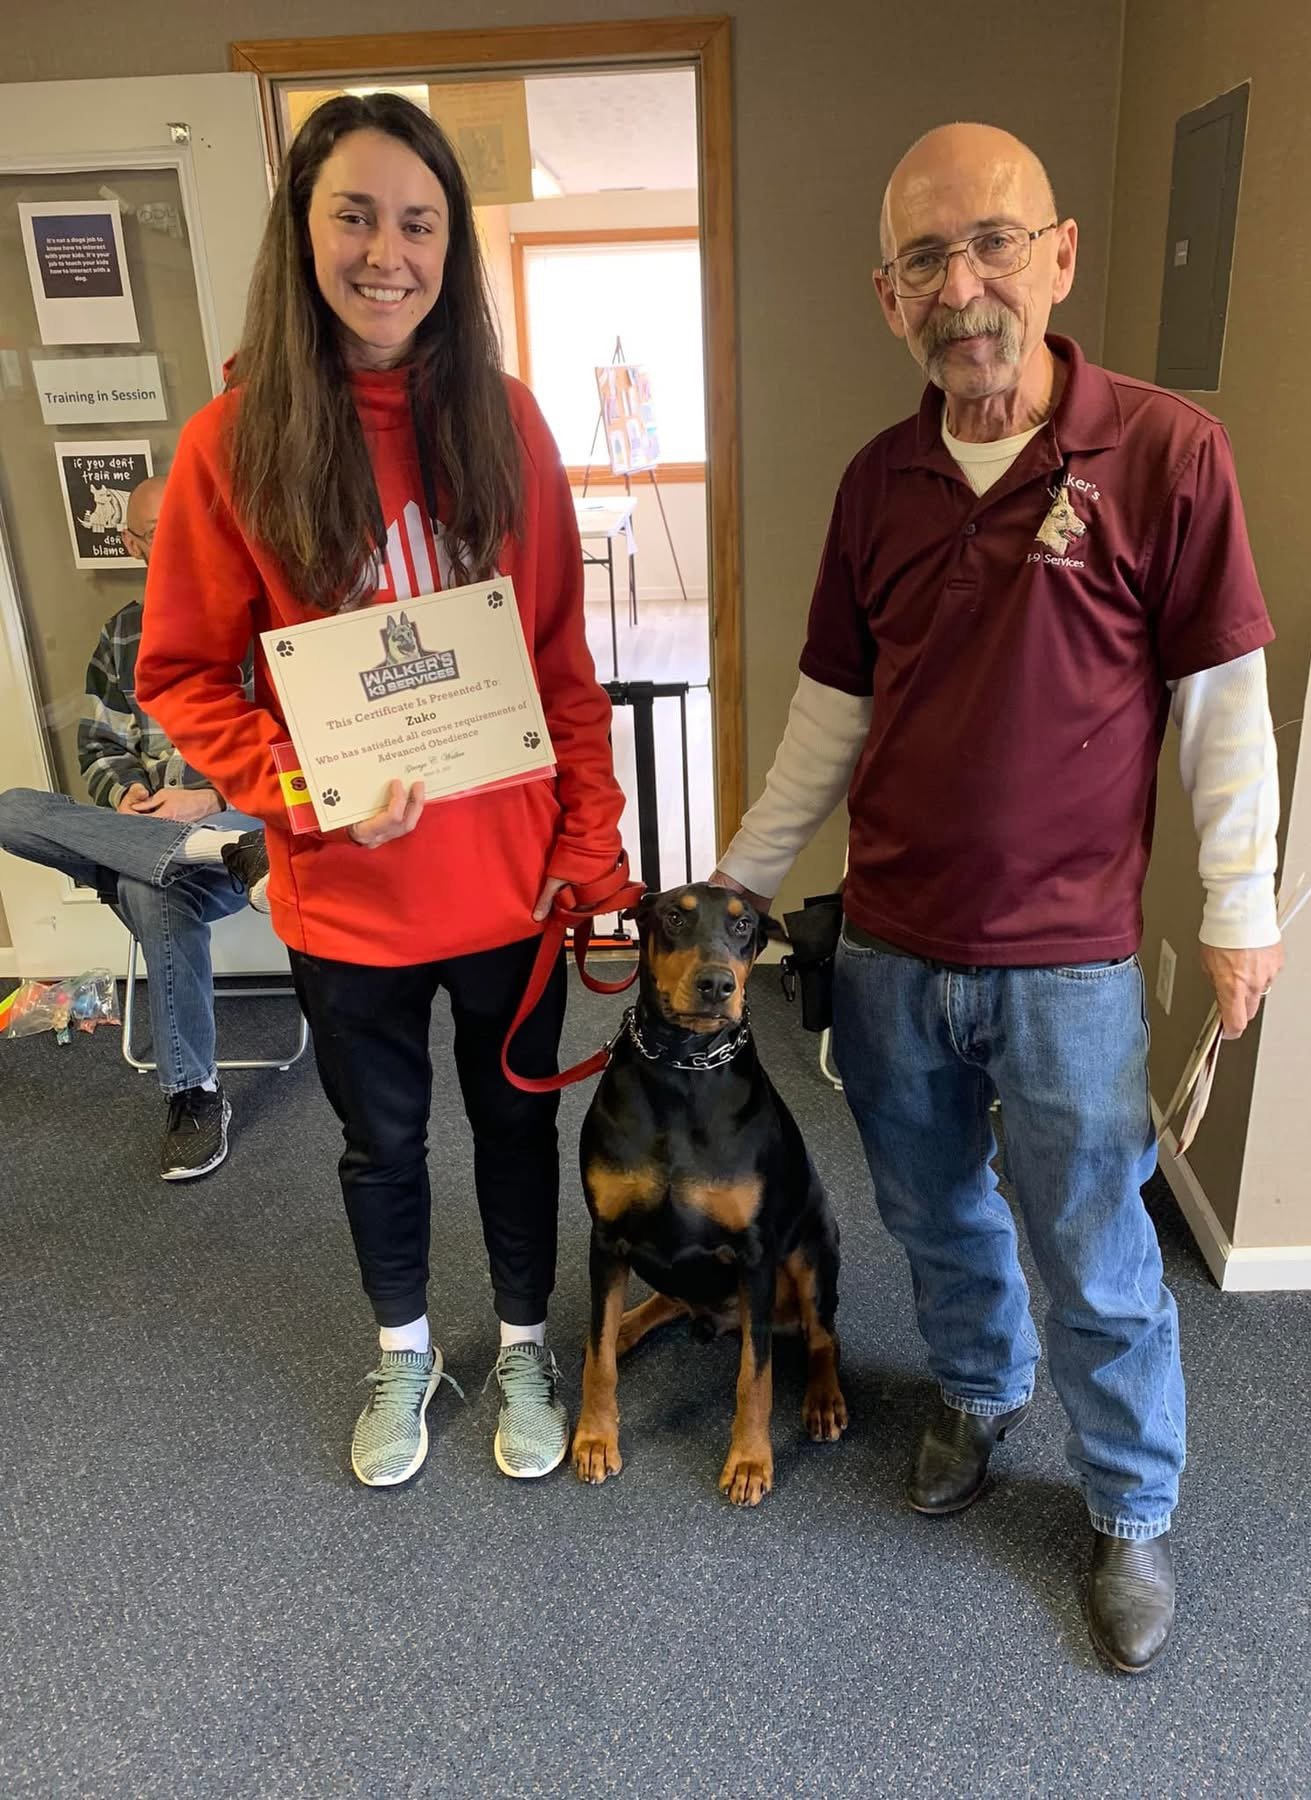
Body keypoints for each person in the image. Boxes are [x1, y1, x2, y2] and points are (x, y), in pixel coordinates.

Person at [714, 123, 1282, 1673]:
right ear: (885, 296)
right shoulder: (873, 484)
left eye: (991, 244)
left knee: (1096, 1247)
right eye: (923, 261)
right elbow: (829, 717)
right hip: (889, 948)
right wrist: (741, 882)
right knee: (932, 1211)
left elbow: (1219, 706)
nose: (962, 287)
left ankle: (1127, 1502)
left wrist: (1238, 904)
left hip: (1069, 966)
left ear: (1059, 256)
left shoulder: (1163, 453)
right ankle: (976, 1391)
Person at [135, 95, 626, 1489]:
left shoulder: (508, 423)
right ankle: (405, 1346)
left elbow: (556, 663)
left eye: (418, 223)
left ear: (450, 248)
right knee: (382, 1143)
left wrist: (590, 845)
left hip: (509, 886)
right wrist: (305, 786)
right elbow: (181, 675)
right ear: (302, 230)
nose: (386, 252)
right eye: (354, 214)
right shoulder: (230, 444)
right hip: (346, 896)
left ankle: (523, 1337)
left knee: (521, 1125)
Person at [0, 477, 270, 1181]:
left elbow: (290, 750)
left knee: (153, 893)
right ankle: (211, 854)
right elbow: (98, 745)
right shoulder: (123, 633)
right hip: (184, 838)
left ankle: (193, 1094)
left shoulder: (260, 623)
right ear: (133, 543)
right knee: (10, 809)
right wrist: (125, 794)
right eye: (160, 533)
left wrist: (205, 800)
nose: (181, 544)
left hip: (242, 818)